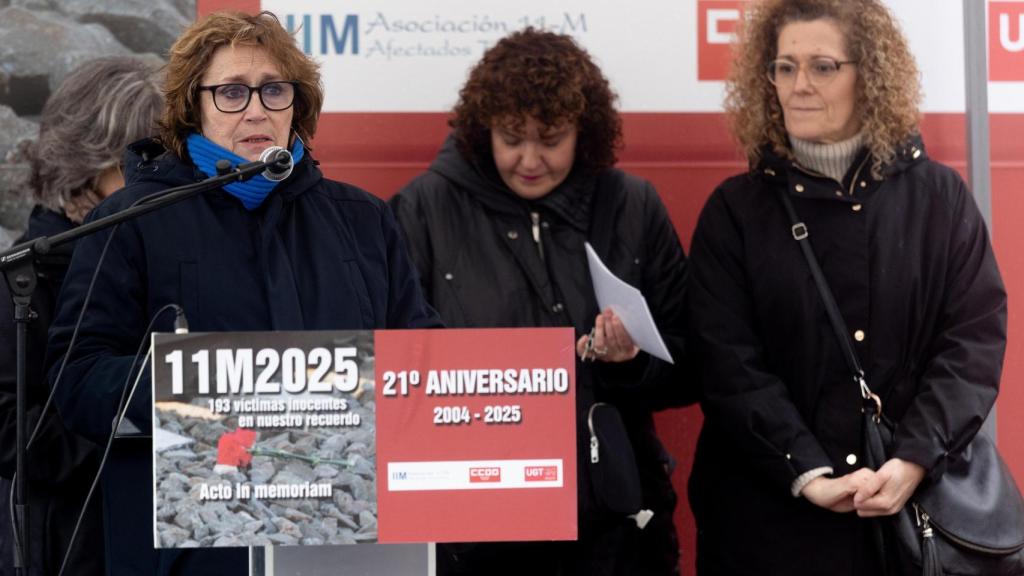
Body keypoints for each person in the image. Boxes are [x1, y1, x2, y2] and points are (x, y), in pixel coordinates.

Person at [44, 11, 440, 576]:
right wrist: (200, 383)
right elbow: (78, 381)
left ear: (297, 105)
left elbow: (423, 357)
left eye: (274, 90)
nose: (256, 109)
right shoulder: (132, 221)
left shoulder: (364, 221)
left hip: (345, 536)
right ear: (193, 107)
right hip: (195, 545)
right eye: (231, 91)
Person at [686, 0, 1007, 574]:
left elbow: (972, 344)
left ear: (871, 75)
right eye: (785, 67)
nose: (799, 86)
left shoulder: (939, 197)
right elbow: (727, 363)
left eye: (822, 66)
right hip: (771, 525)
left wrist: (914, 458)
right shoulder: (735, 212)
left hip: (912, 516)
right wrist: (807, 472)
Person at [390, 28, 693, 576]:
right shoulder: (423, 210)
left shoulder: (631, 207)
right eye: (512, 138)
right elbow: (388, 371)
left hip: (614, 526)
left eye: (551, 139)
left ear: (585, 131)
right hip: (474, 528)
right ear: (484, 131)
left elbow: (693, 363)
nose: (530, 159)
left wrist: (630, 363)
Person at [0, 56, 164, 576]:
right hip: (71, 548)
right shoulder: (19, 284)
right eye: (137, 165)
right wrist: (144, 428)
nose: (155, 184)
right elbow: (9, 432)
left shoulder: (156, 259)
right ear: (86, 166)